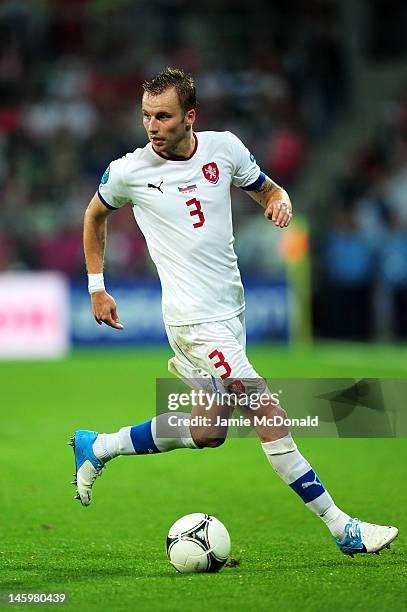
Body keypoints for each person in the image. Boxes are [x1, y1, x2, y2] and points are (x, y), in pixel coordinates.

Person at [69, 67, 398, 557]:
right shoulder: (129, 171)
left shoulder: (224, 149)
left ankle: (98, 446)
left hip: (230, 312)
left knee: (208, 430)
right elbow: (95, 213)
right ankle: (341, 526)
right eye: (146, 116)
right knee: (269, 410)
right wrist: (97, 286)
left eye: (163, 116)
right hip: (193, 322)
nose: (152, 126)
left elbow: (267, 187)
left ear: (190, 117)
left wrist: (279, 200)